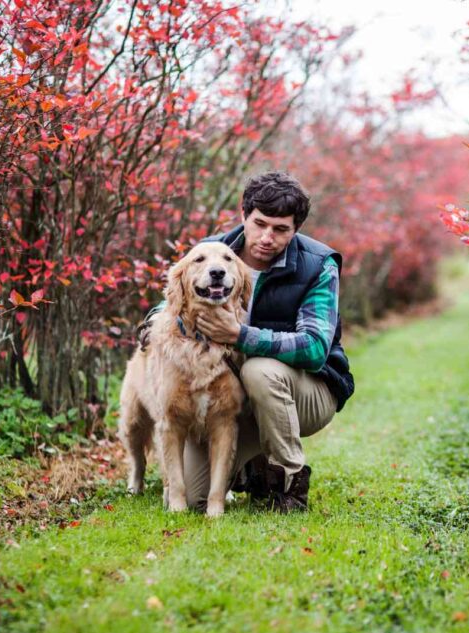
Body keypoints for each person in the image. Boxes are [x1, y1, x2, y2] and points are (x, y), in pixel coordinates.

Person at [141, 171, 354, 513]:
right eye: (260, 224)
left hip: (305, 392)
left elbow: (315, 349)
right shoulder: (214, 252)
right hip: (231, 396)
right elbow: (172, 302)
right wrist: (153, 323)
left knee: (259, 370)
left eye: (281, 229)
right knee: (196, 500)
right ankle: (248, 468)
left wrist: (241, 335)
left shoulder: (317, 266)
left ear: (296, 229)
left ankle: (287, 485)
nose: (267, 237)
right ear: (244, 215)